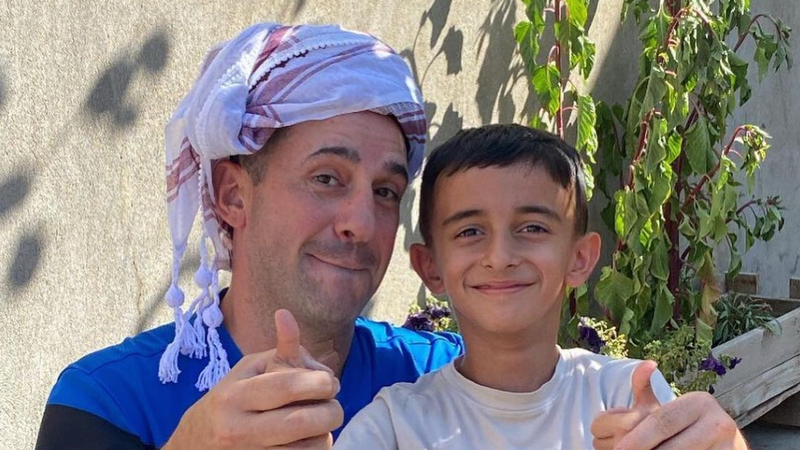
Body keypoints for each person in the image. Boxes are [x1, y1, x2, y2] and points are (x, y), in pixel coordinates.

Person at [36, 23, 463, 450]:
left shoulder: (446, 378)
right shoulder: (107, 401)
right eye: (326, 178)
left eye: (386, 191)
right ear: (233, 196)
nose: (363, 223)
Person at [333, 124, 748, 450]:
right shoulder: (393, 426)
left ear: (580, 258)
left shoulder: (625, 394)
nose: (500, 256)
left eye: (532, 228)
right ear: (430, 267)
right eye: (470, 231)